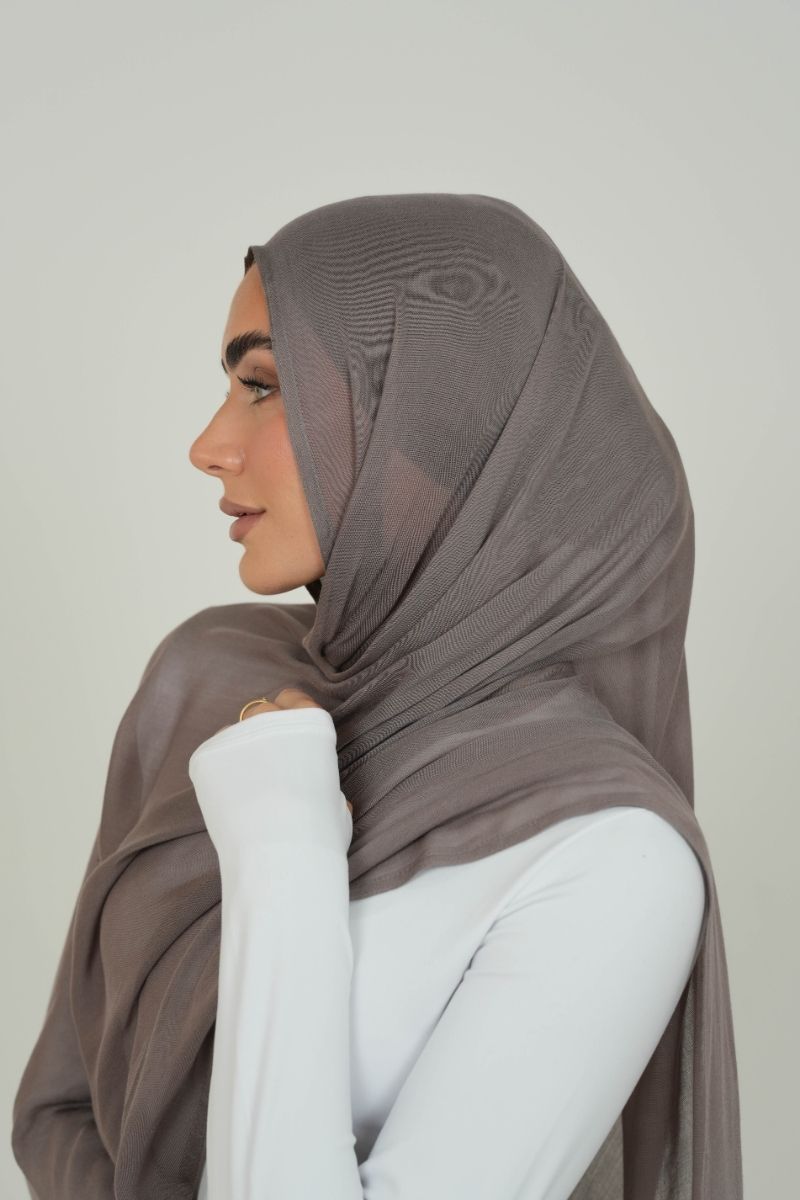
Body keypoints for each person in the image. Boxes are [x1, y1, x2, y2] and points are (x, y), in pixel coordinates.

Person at [11, 194, 743, 1200]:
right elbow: (60, 1106)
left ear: (428, 427)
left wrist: (284, 836)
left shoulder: (612, 858)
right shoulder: (212, 678)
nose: (208, 445)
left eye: (265, 387)